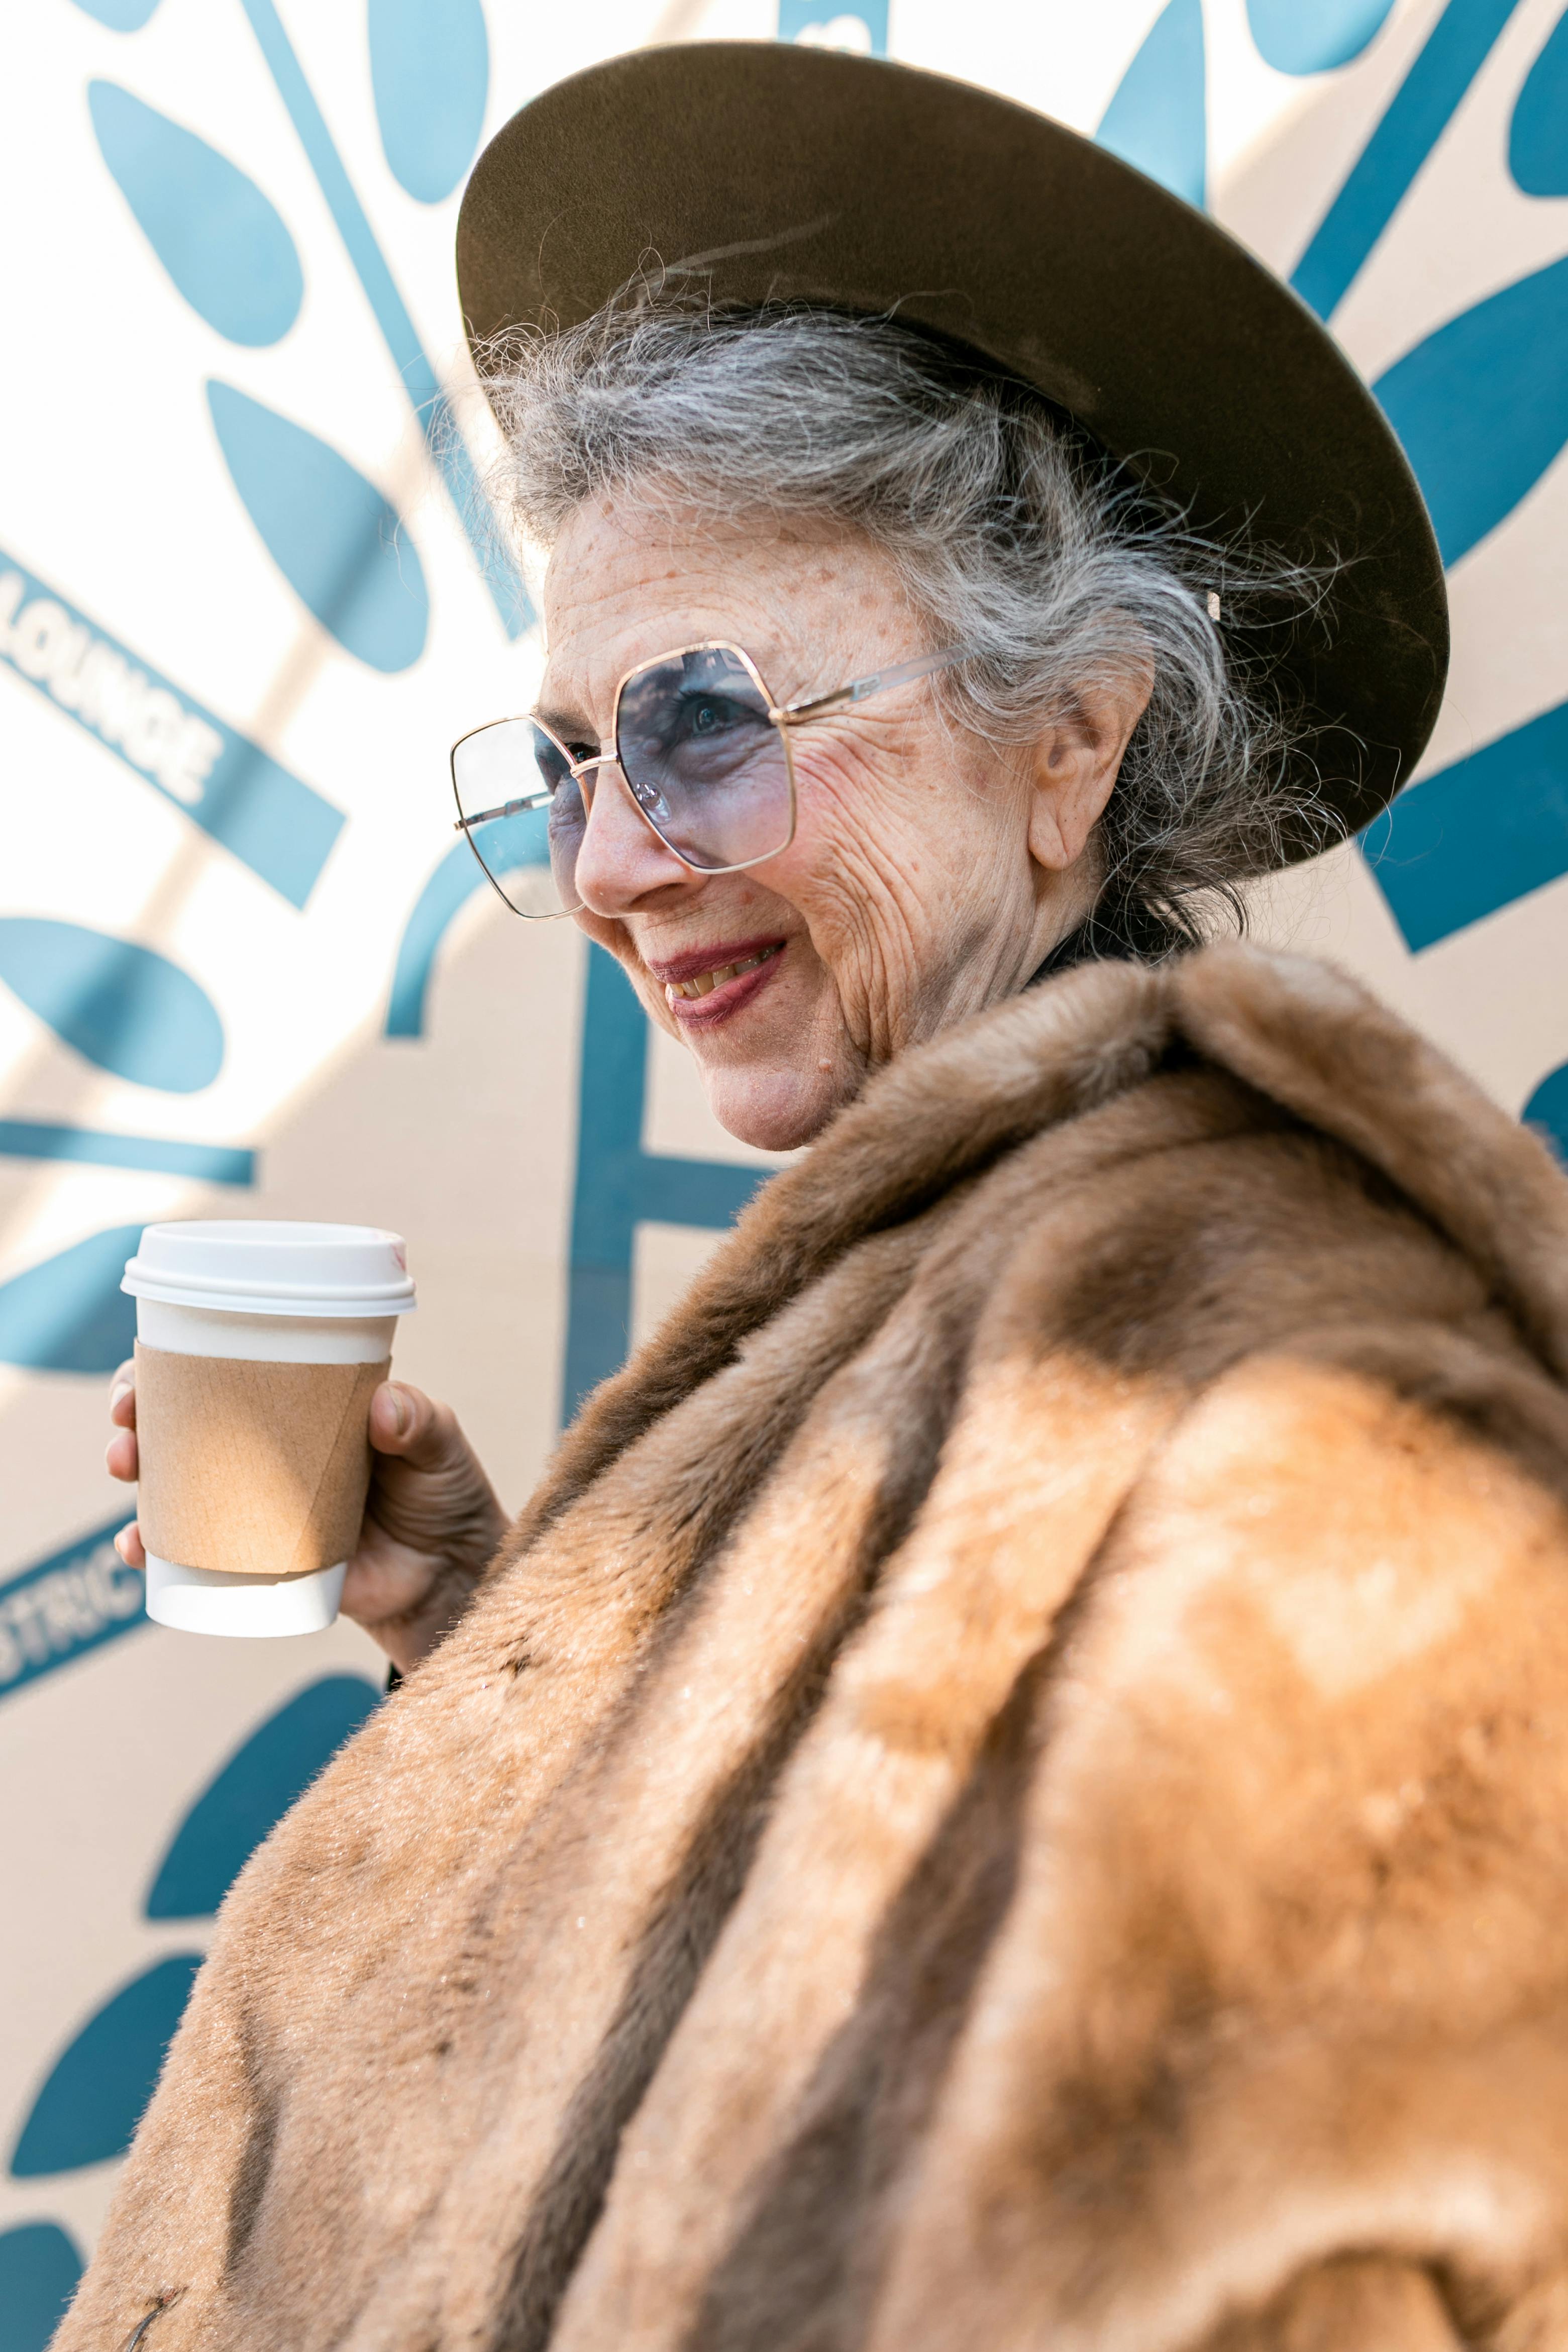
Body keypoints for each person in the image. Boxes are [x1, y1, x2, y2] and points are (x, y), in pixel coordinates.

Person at [71, 43, 1568, 2352]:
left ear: (1066, 738)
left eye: (696, 724)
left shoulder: (1297, 1383)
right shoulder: (941, 1271)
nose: (600, 863)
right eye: (569, 764)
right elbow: (762, 2026)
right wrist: (490, 1645)